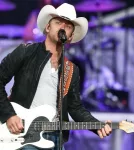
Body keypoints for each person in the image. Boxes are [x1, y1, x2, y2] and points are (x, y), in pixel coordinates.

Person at [0, 3, 112, 150]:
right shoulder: (26, 53)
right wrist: (9, 115)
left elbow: (75, 108)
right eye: (58, 22)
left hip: (55, 137)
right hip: (23, 134)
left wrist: (97, 126)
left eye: (68, 26)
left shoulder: (71, 69)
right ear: (48, 27)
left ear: (71, 36)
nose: (62, 27)